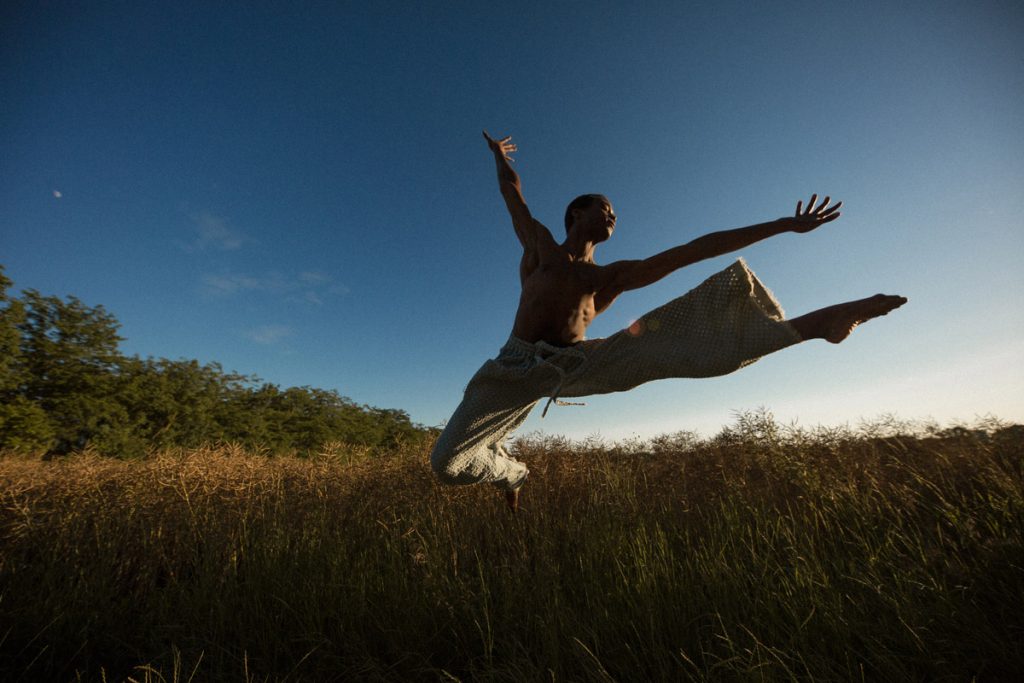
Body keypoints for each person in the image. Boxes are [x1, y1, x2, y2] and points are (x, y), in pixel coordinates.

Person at [430, 131, 906, 511]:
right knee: (446, 464)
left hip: (575, 363)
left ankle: (818, 324)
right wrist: (498, 154)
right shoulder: (540, 247)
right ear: (576, 213)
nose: (613, 216)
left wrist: (783, 225)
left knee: (672, 345)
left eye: (615, 214)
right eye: (604, 209)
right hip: (513, 366)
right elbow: (511, 192)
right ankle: (512, 473)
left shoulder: (610, 277)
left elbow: (693, 250)